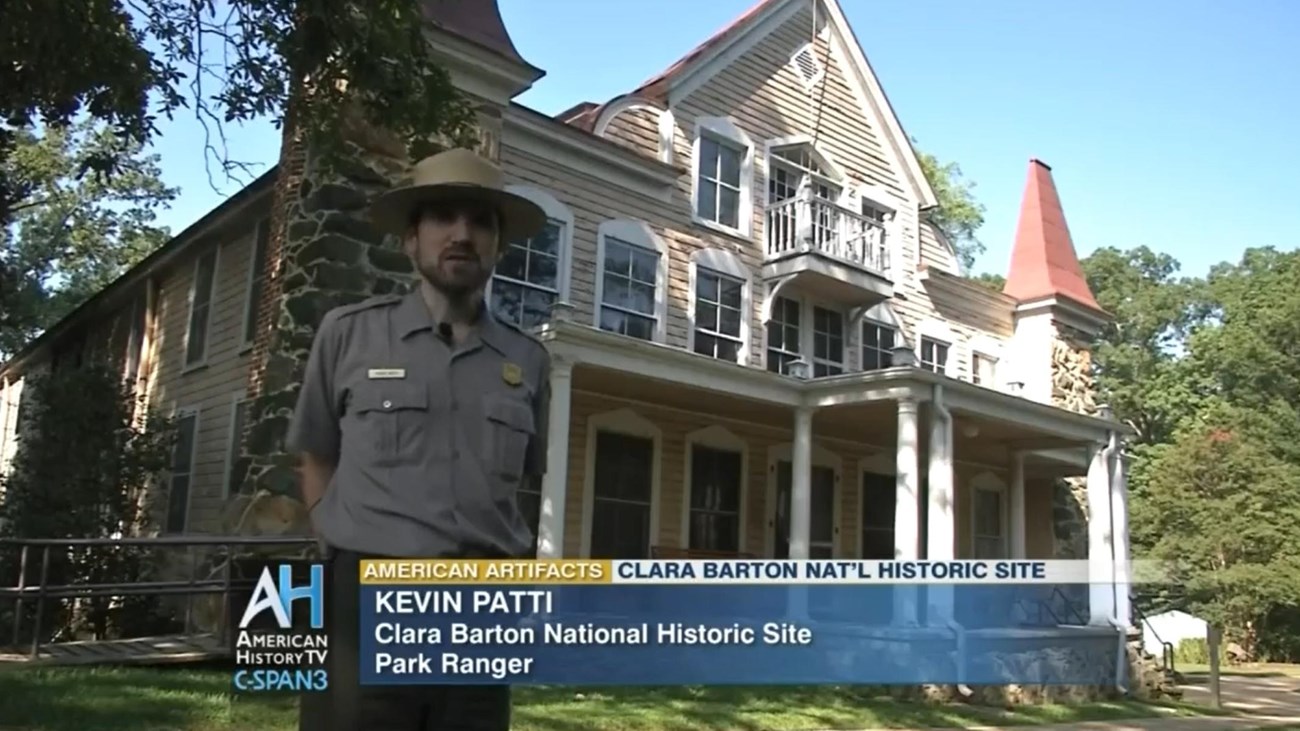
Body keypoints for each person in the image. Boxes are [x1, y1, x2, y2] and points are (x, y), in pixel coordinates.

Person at [286, 147, 553, 730]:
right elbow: (315, 453)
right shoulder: (348, 334)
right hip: (366, 601)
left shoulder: (529, 360)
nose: (462, 234)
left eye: (481, 221)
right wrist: (334, 547)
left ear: (499, 246)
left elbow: (525, 484)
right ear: (411, 239)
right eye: (443, 218)